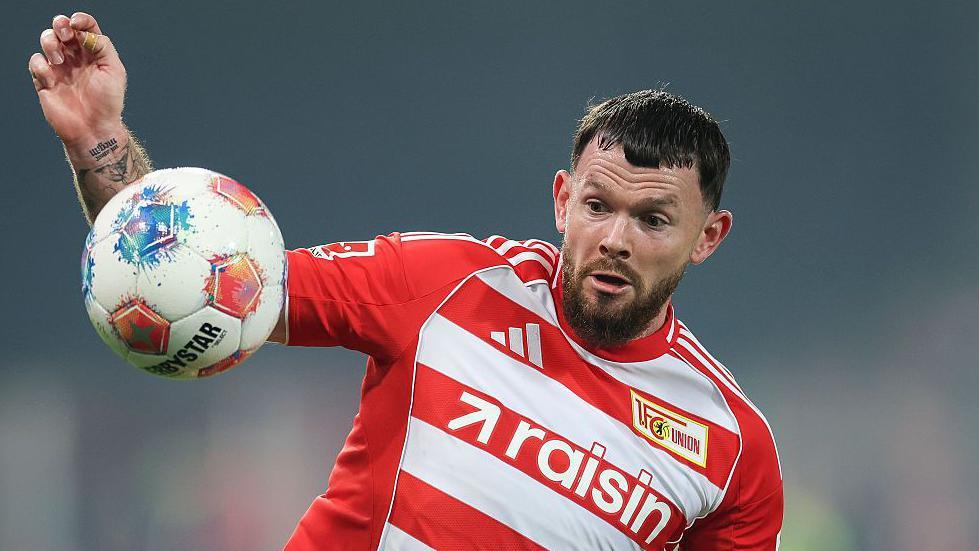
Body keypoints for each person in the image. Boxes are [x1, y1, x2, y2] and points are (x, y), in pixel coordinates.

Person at [31, 12, 783, 550]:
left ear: (706, 238)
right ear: (562, 201)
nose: (614, 239)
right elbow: (195, 277)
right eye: (597, 206)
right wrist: (99, 140)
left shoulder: (734, 452)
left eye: (652, 220)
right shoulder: (447, 282)